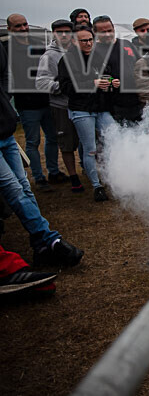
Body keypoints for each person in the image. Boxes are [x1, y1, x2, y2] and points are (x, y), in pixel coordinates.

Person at [0, 40, 84, 265]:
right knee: (14, 189)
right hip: (23, 116)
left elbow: (6, 79)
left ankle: (41, 245)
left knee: (23, 188)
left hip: (5, 132)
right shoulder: (49, 55)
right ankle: (49, 240)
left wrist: (4, 105)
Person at [5, 14, 64, 191]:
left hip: (46, 100)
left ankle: (54, 172)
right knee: (32, 141)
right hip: (26, 104)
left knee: (53, 137)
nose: (23, 29)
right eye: (18, 26)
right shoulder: (5, 49)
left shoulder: (39, 46)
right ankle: (39, 178)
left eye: (25, 25)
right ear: (9, 29)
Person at [57, 25, 114, 202]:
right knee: (90, 148)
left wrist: (111, 82)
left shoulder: (98, 57)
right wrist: (93, 82)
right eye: (84, 41)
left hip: (102, 107)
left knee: (114, 140)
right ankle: (97, 186)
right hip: (81, 109)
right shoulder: (67, 60)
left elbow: (107, 75)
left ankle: (115, 180)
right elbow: (66, 87)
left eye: (91, 40)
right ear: (75, 41)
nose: (89, 43)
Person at [35, 19, 84, 193]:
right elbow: (40, 83)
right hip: (61, 106)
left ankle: (86, 170)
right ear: (54, 33)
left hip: (80, 105)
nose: (64, 35)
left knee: (85, 141)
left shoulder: (78, 50)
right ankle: (73, 177)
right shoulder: (49, 56)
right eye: (59, 31)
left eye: (67, 31)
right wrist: (62, 87)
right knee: (66, 143)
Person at [93, 16, 141, 124]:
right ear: (95, 32)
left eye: (110, 30)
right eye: (103, 32)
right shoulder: (93, 51)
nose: (107, 34)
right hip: (112, 106)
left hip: (135, 101)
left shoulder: (127, 44)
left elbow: (140, 66)